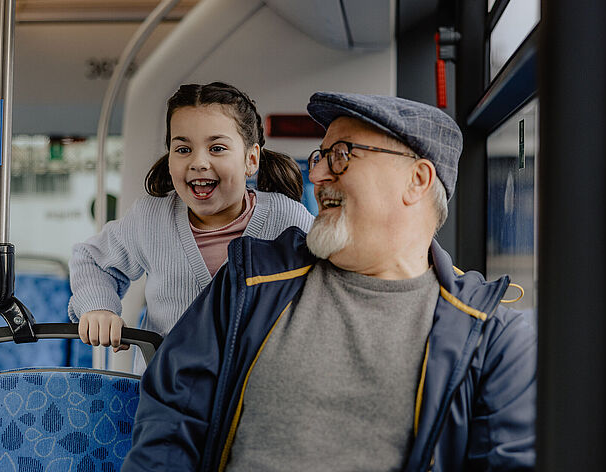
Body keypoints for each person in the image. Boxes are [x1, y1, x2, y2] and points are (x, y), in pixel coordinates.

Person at [122, 93, 536, 471]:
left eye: (341, 155)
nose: (316, 174)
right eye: (320, 156)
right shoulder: (251, 280)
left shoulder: (492, 341)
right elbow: (170, 422)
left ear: (418, 180)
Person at [67, 82, 313, 369]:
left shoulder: (286, 219)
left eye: (217, 148)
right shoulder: (152, 216)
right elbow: (92, 259)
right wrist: (99, 307)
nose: (198, 162)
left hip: (251, 400)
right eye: (183, 149)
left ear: (251, 159)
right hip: (165, 397)